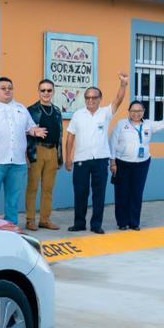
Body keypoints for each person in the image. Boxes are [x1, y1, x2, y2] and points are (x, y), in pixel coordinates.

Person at [0, 77, 49, 225]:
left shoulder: (21, 108)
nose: (7, 90)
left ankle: (11, 226)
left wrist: (35, 131)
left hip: (17, 162)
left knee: (13, 198)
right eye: (3, 88)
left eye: (10, 88)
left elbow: (30, 127)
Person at [63, 73, 128, 234]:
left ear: (100, 99)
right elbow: (70, 137)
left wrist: (123, 84)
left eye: (94, 97)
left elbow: (118, 100)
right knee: (80, 192)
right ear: (84, 99)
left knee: (99, 193)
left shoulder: (105, 112)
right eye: (87, 97)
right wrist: (68, 158)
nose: (90, 100)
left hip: (100, 159)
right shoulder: (78, 115)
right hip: (81, 160)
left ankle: (96, 224)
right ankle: (79, 223)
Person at [111, 98, 164, 230]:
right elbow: (113, 143)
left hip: (142, 164)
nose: (136, 113)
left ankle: (134, 223)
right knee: (122, 193)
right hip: (122, 163)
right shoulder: (121, 124)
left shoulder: (148, 125)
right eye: (133, 111)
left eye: (139, 111)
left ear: (143, 111)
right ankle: (122, 222)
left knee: (137, 193)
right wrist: (112, 162)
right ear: (129, 111)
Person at [24, 79, 64, 231]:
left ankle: (45, 220)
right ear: (38, 91)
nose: (46, 93)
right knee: (33, 187)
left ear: (53, 91)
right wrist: (26, 155)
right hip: (37, 151)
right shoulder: (31, 110)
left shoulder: (57, 111)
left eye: (49, 90)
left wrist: (59, 157)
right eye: (43, 90)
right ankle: (30, 220)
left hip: (52, 151)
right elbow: (24, 133)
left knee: (48, 188)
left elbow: (60, 136)